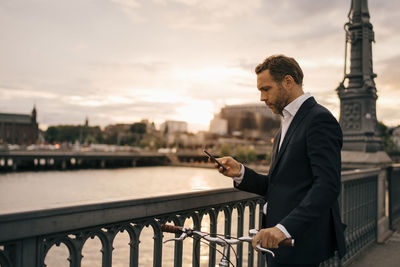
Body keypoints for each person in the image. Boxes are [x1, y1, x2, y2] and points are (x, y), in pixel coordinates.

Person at [214, 55, 346, 267]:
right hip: (280, 242)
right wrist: (240, 172)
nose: (261, 98)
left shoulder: (319, 119)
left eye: (265, 89)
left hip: (301, 242)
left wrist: (283, 228)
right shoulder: (285, 124)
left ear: (288, 81)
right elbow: (279, 185)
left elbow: (327, 186)